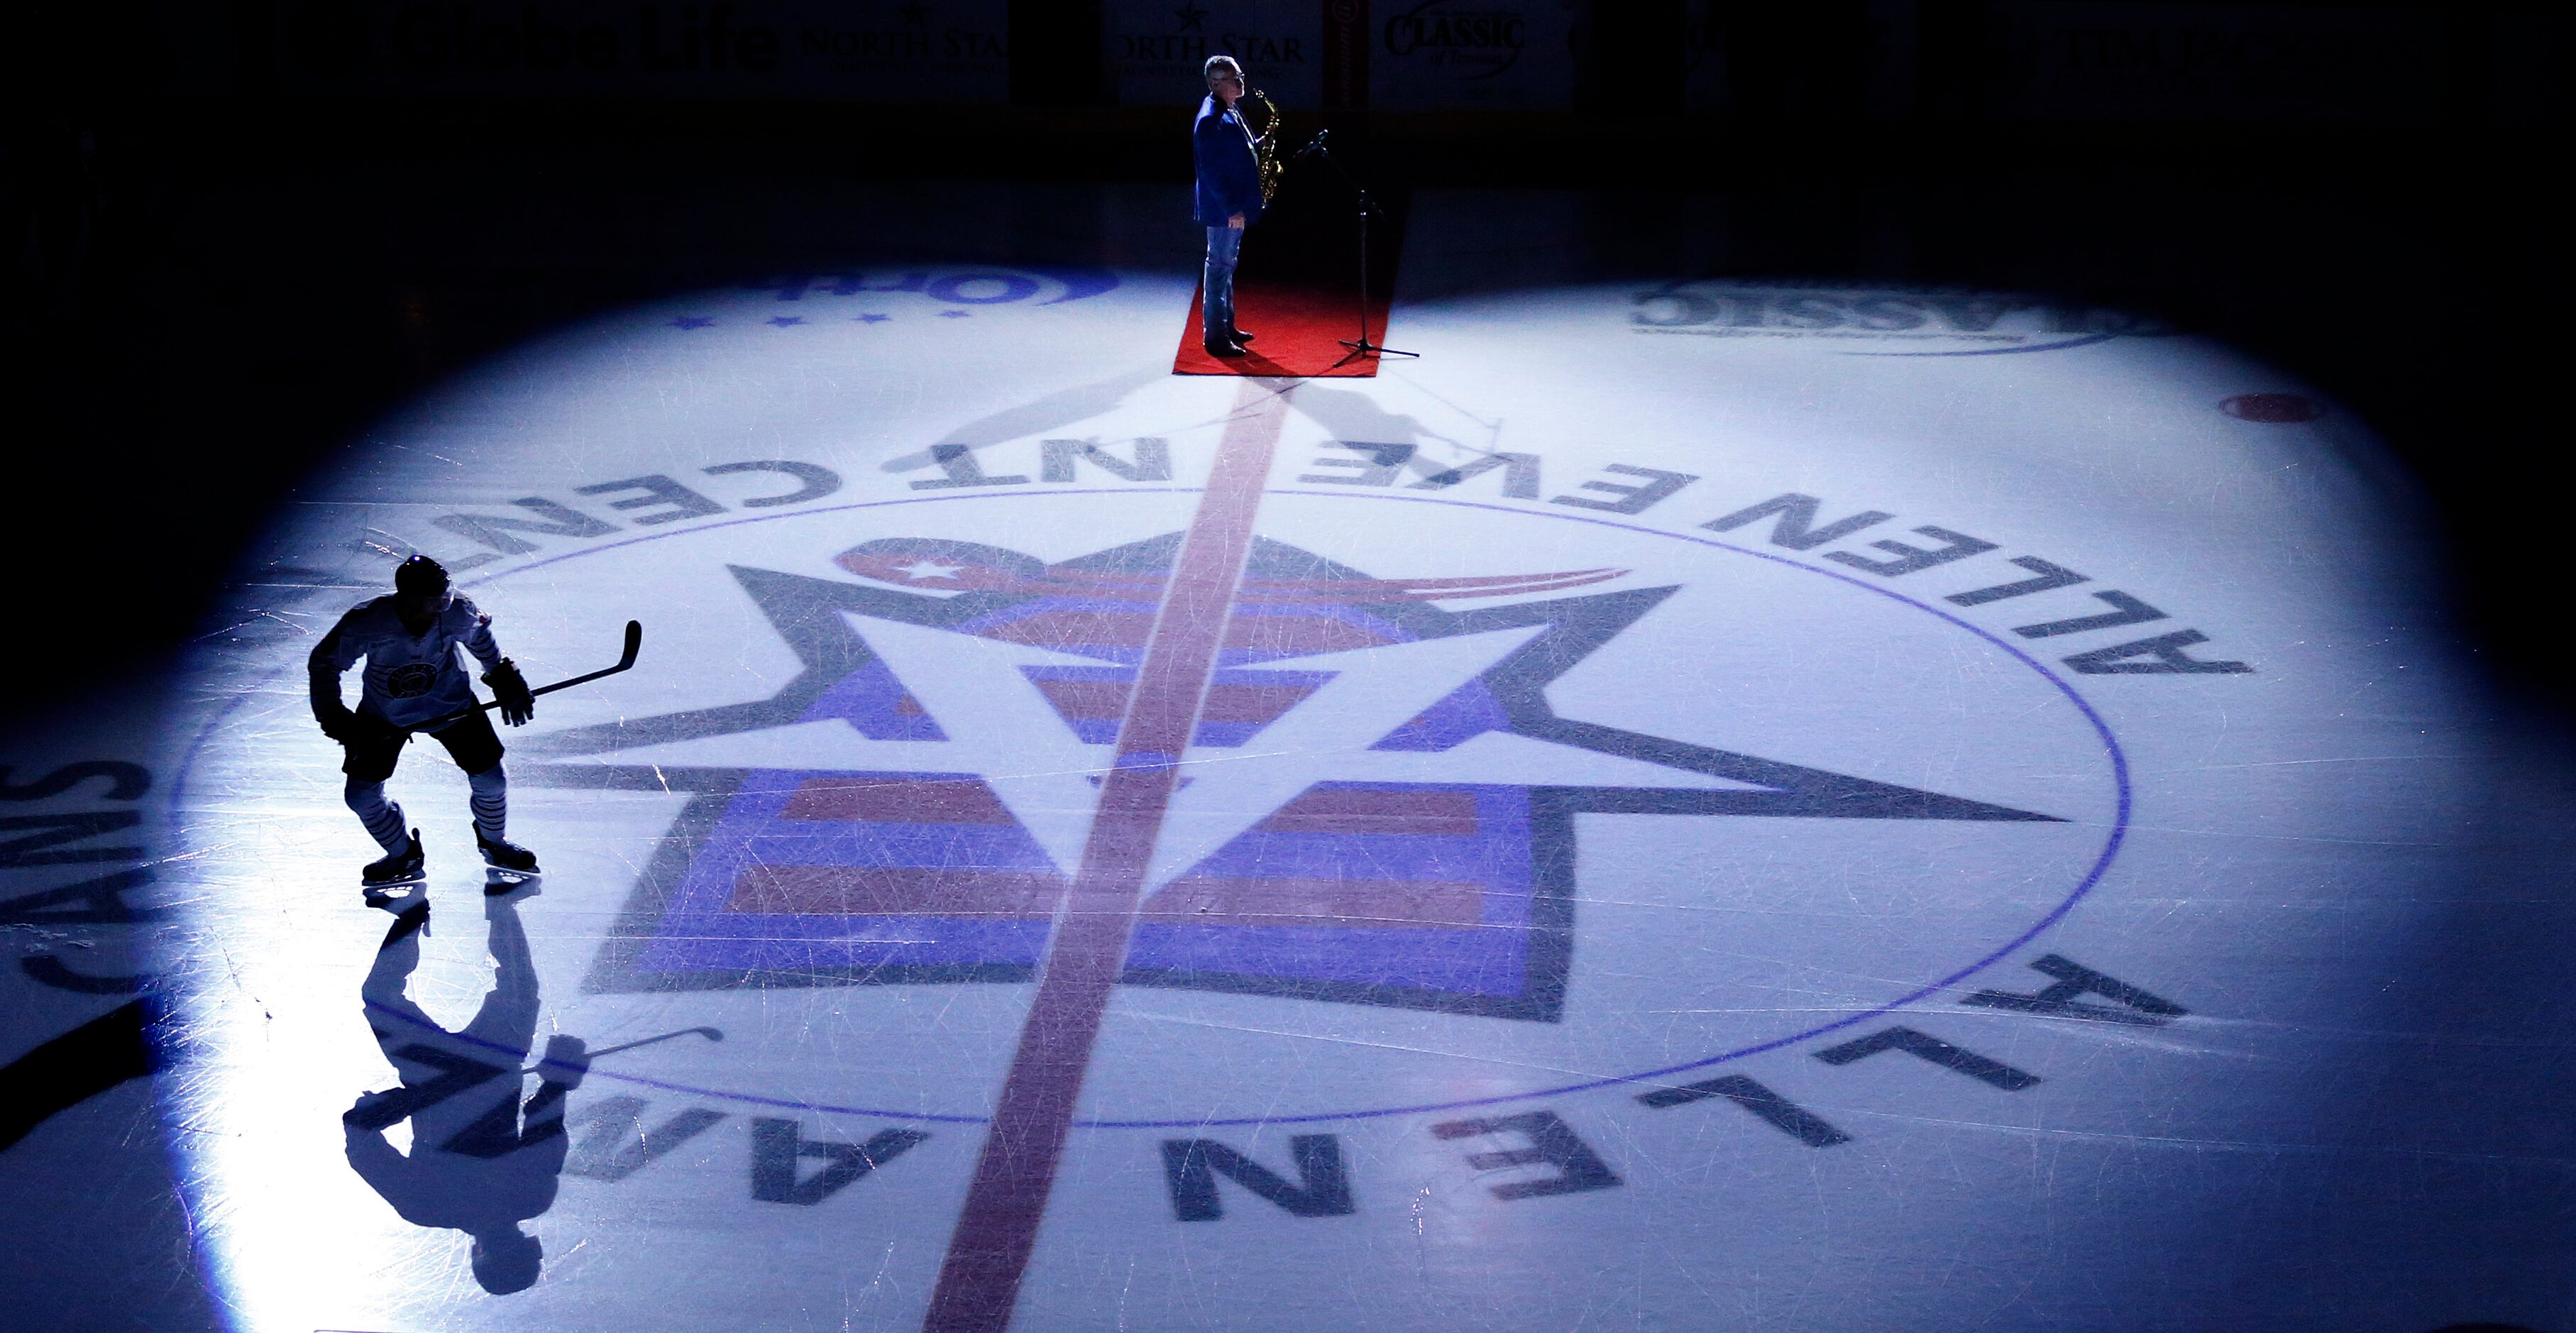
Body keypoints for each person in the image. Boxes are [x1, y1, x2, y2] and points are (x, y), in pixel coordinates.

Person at [346, 896, 587, 1295]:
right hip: (439, 1072)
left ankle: (491, 905)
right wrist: (396, 1105)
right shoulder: (427, 1208)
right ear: (477, 1256)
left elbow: (545, 1129)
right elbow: (361, 1140)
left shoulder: (527, 1199)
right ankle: (435, 911)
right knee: (384, 996)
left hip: (480, 1067)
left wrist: (558, 1079)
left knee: (517, 986)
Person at [311, 554, 539, 887]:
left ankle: (494, 842)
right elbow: (324, 664)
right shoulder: (367, 621)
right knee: (360, 796)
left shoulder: (458, 610)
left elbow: (480, 639)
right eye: (434, 601)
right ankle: (402, 853)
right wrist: (332, 714)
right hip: (383, 716)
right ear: (409, 598)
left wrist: (501, 672)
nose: (442, 608)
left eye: (444, 598)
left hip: (452, 705)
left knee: (492, 780)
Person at [1194, 55, 1263, 358]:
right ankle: (1216, 337)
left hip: (1236, 204)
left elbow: (1239, 151)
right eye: (1233, 78)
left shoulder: (1232, 109)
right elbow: (1209, 171)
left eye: (1240, 75)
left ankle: (1227, 326)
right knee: (1219, 268)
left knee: (1227, 266)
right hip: (1225, 209)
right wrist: (1231, 209)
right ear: (1214, 84)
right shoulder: (1211, 118)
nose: (1240, 82)